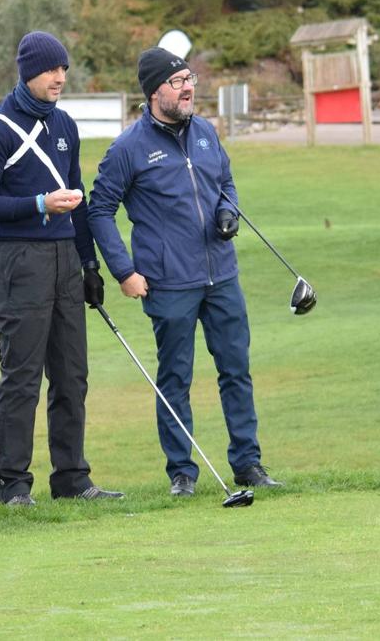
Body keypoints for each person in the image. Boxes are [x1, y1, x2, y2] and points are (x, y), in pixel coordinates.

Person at [88, 47, 282, 497]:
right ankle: (182, 473)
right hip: (168, 281)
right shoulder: (128, 148)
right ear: (155, 91)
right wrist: (123, 271)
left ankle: (248, 463)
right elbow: (99, 210)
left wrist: (228, 211)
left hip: (222, 275)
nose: (188, 87)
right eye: (177, 82)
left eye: (189, 77)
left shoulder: (206, 133)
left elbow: (225, 184)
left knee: (236, 369)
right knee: (175, 378)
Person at [0, 31, 123, 506]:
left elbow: (76, 201)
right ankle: (12, 483)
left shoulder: (65, 126)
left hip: (63, 262)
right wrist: (39, 203)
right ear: (28, 72)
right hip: (19, 261)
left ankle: (72, 478)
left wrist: (89, 265)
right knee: (22, 375)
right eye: (51, 70)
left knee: (72, 373)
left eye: (64, 70)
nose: (60, 78)